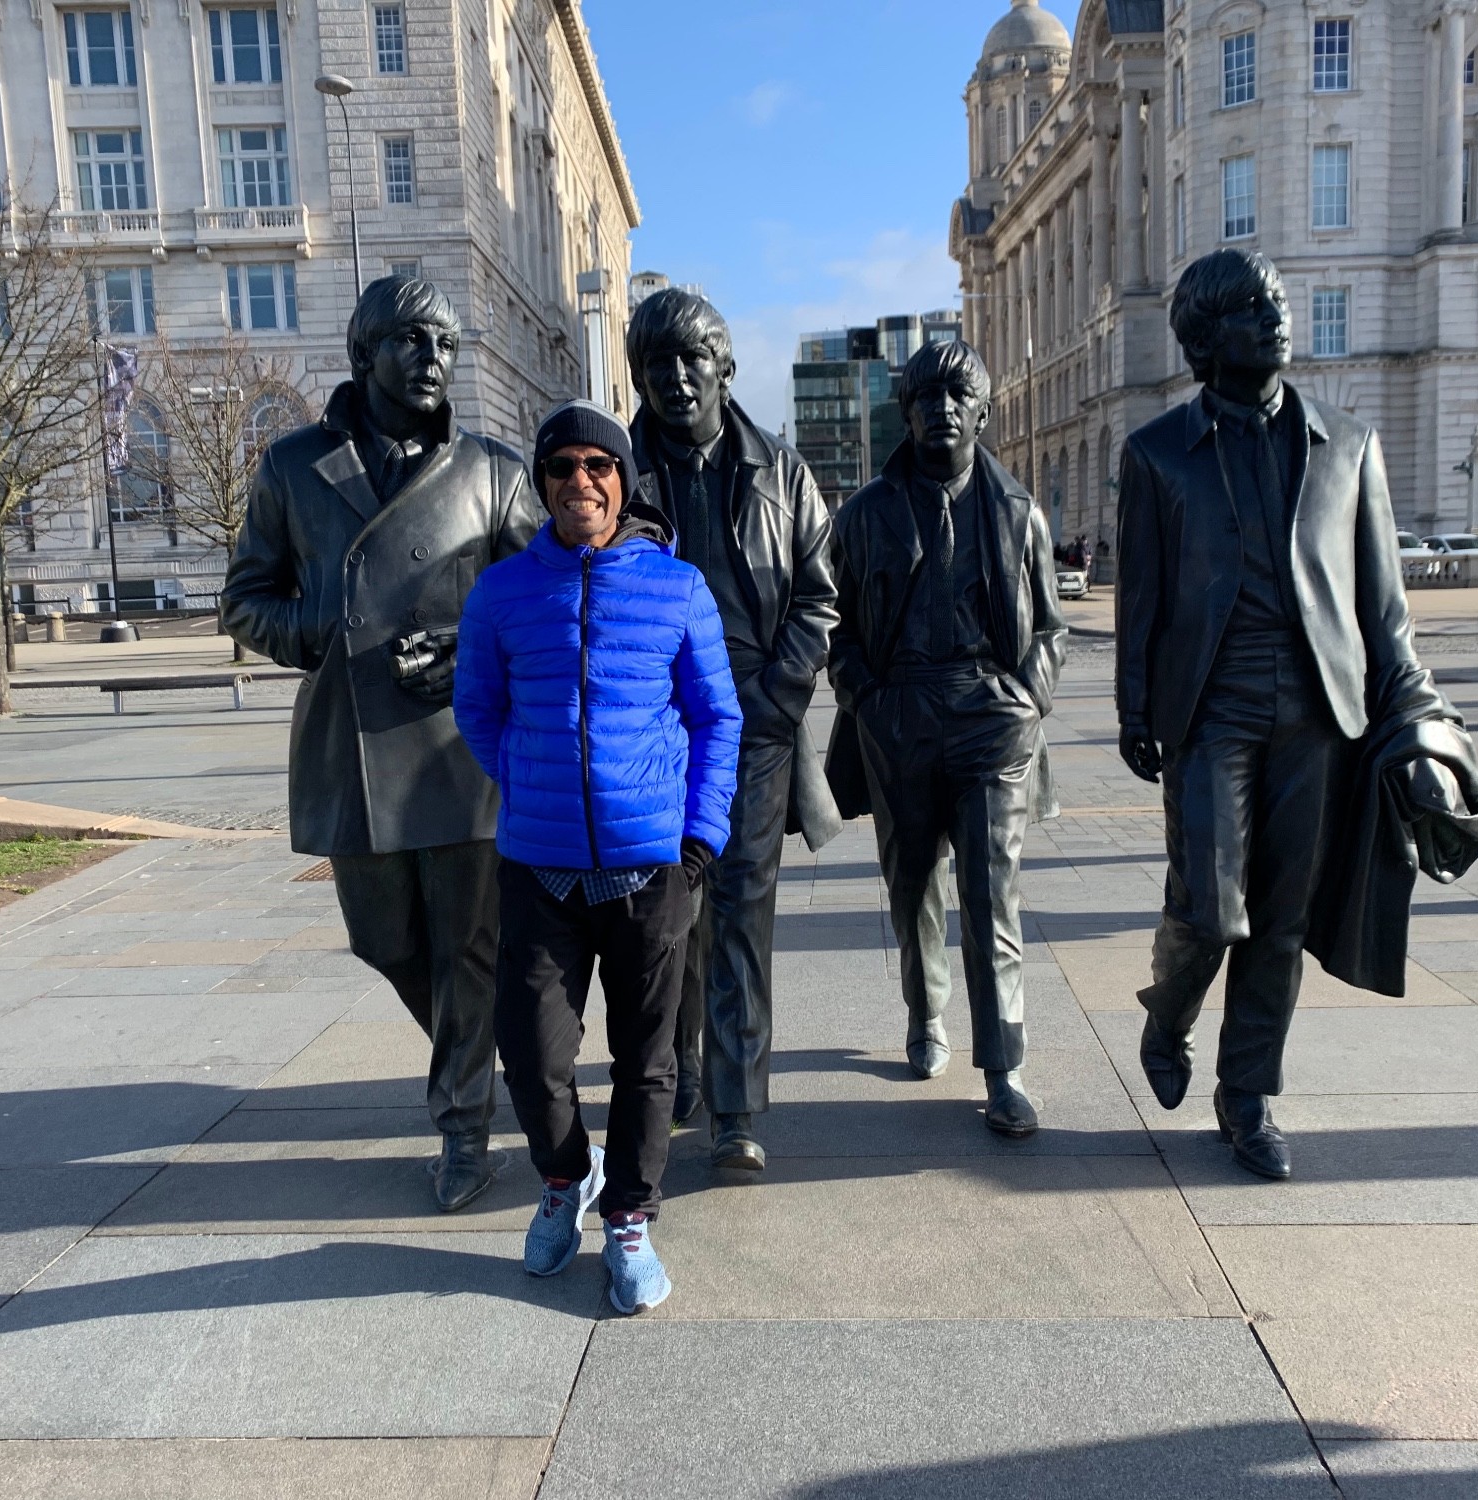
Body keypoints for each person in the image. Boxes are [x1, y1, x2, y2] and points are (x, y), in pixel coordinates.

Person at [1116, 249, 1474, 1180]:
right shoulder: (1156, 452)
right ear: (1203, 339)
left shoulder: (1348, 445)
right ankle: (1168, 1008)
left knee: (1279, 920)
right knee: (1210, 906)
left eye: (1274, 304)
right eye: (1247, 310)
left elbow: (1382, 608)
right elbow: (1142, 596)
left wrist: (1418, 724)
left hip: (1320, 714)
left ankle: (1248, 1097)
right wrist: (1132, 708)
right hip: (1209, 707)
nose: (1273, 320)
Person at [222, 275, 545, 1211]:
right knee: (385, 941)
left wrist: (472, 650)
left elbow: (543, 594)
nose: (434, 358)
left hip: (462, 750)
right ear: (365, 353)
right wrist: (322, 626)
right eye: (411, 340)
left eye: (445, 342)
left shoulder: (492, 472)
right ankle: (483, 1061)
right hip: (351, 751)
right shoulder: (293, 467)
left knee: (469, 950)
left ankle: (463, 1128)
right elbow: (243, 597)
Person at [454, 399, 741, 1315]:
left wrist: (698, 837)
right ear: (543, 483)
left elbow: (716, 718)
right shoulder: (503, 592)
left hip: (651, 869)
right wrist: (530, 774)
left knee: (646, 1061)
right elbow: (478, 709)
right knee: (533, 1056)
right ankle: (563, 1179)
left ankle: (628, 1217)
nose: (581, 480)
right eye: (563, 466)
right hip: (539, 866)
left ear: (623, 480)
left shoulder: (678, 587)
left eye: (598, 465)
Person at [825, 339, 1067, 1138]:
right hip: (900, 719)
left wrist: (1026, 696)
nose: (941, 412)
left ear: (983, 414)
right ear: (908, 413)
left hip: (990, 720)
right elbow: (838, 628)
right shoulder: (863, 516)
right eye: (926, 399)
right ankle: (927, 1011)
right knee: (912, 886)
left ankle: (1004, 1067)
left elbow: (1052, 629)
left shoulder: (1017, 511)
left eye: (957, 399)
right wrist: (868, 697)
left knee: (991, 896)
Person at [625, 288, 840, 1171]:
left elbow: (821, 596)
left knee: (743, 909)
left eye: (692, 360)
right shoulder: (616, 471)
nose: (676, 379)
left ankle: (738, 1109)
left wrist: (779, 696)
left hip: (752, 727)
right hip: (650, 730)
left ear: (725, 367)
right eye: (656, 365)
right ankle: (676, 1067)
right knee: (665, 911)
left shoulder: (782, 472)